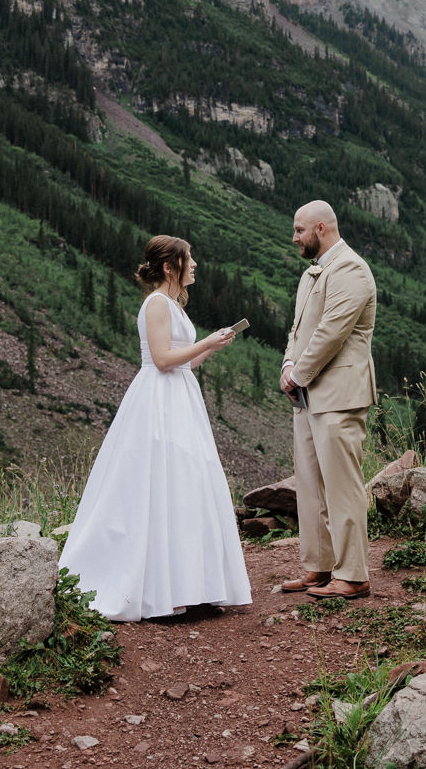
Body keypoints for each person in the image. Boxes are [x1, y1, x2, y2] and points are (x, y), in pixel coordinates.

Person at [59, 235, 253, 622]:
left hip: (179, 397)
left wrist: (212, 346)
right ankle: (163, 589)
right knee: (162, 483)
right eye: (189, 258)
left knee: (185, 484)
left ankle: (189, 586)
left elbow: (183, 364)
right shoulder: (157, 304)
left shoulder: (173, 305)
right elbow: (163, 359)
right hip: (159, 400)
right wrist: (204, 343)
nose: (194, 264)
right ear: (170, 267)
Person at [278, 200, 378, 600]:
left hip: (338, 395)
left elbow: (332, 333)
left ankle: (353, 574)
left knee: (342, 485)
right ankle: (318, 567)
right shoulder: (311, 273)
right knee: (310, 486)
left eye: (300, 230)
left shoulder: (352, 269)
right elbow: (299, 329)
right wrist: (288, 363)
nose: (295, 237)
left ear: (321, 227)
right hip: (307, 396)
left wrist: (297, 375)